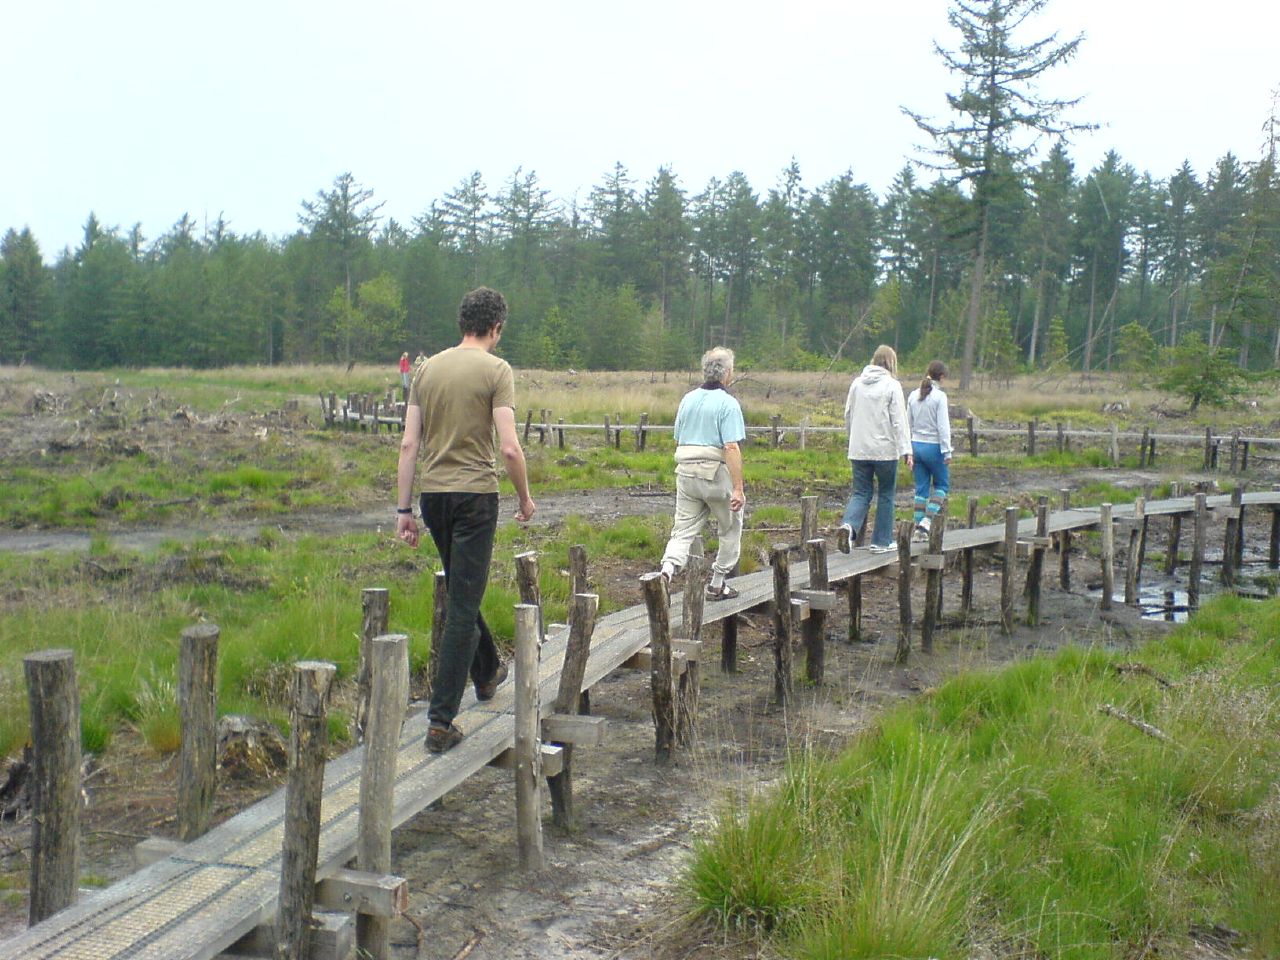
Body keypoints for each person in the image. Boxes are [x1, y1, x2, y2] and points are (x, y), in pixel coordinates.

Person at [395, 287, 536, 753]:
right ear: (496, 327)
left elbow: (409, 445)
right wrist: (525, 497)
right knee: (461, 607)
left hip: (434, 497)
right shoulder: (497, 370)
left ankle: (489, 669)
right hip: (476, 497)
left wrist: (403, 510)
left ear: (462, 323)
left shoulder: (426, 369)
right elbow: (510, 446)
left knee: (463, 589)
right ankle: (440, 720)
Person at [657, 347, 747, 600]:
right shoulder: (728, 404)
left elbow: (678, 437)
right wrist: (738, 487)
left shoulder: (687, 399)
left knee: (683, 528)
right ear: (727, 373)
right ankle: (718, 583)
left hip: (685, 472)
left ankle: (667, 570)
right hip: (714, 473)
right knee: (730, 527)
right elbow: (730, 446)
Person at [837, 345, 912, 554]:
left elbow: (848, 414)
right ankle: (881, 541)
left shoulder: (857, 384)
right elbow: (899, 421)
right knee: (886, 493)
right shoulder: (892, 385)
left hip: (859, 449)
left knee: (861, 492)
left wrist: (853, 439)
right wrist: (907, 450)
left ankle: (849, 527)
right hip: (884, 451)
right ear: (891, 363)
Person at [907, 360, 952, 541]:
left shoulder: (913, 395)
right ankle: (926, 521)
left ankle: (918, 530)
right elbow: (943, 426)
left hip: (916, 445)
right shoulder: (939, 397)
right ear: (940, 377)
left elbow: (908, 424)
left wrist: (907, 449)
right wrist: (947, 451)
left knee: (921, 489)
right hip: (934, 447)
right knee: (942, 486)